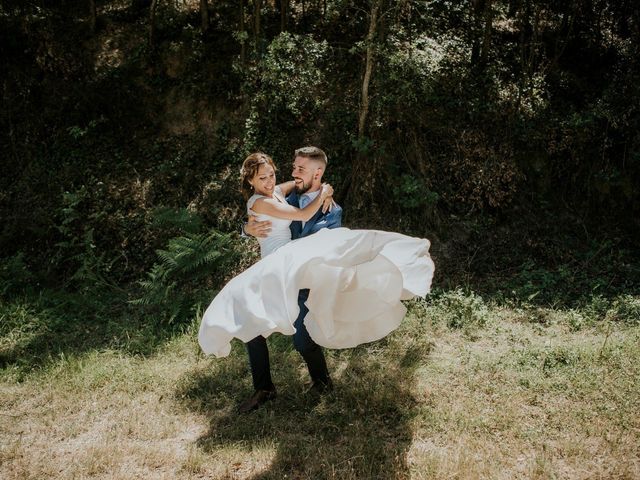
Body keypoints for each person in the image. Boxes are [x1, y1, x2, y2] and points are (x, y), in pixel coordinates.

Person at [198, 147, 435, 414]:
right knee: (250, 320)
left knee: (303, 340)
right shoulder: (280, 197)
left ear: (317, 172)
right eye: (263, 177)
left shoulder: (324, 208)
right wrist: (245, 228)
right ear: (251, 180)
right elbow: (280, 214)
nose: (285, 176)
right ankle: (264, 388)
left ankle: (322, 383)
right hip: (279, 269)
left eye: (275, 174)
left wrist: (326, 191)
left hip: (306, 276)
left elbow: (326, 240)